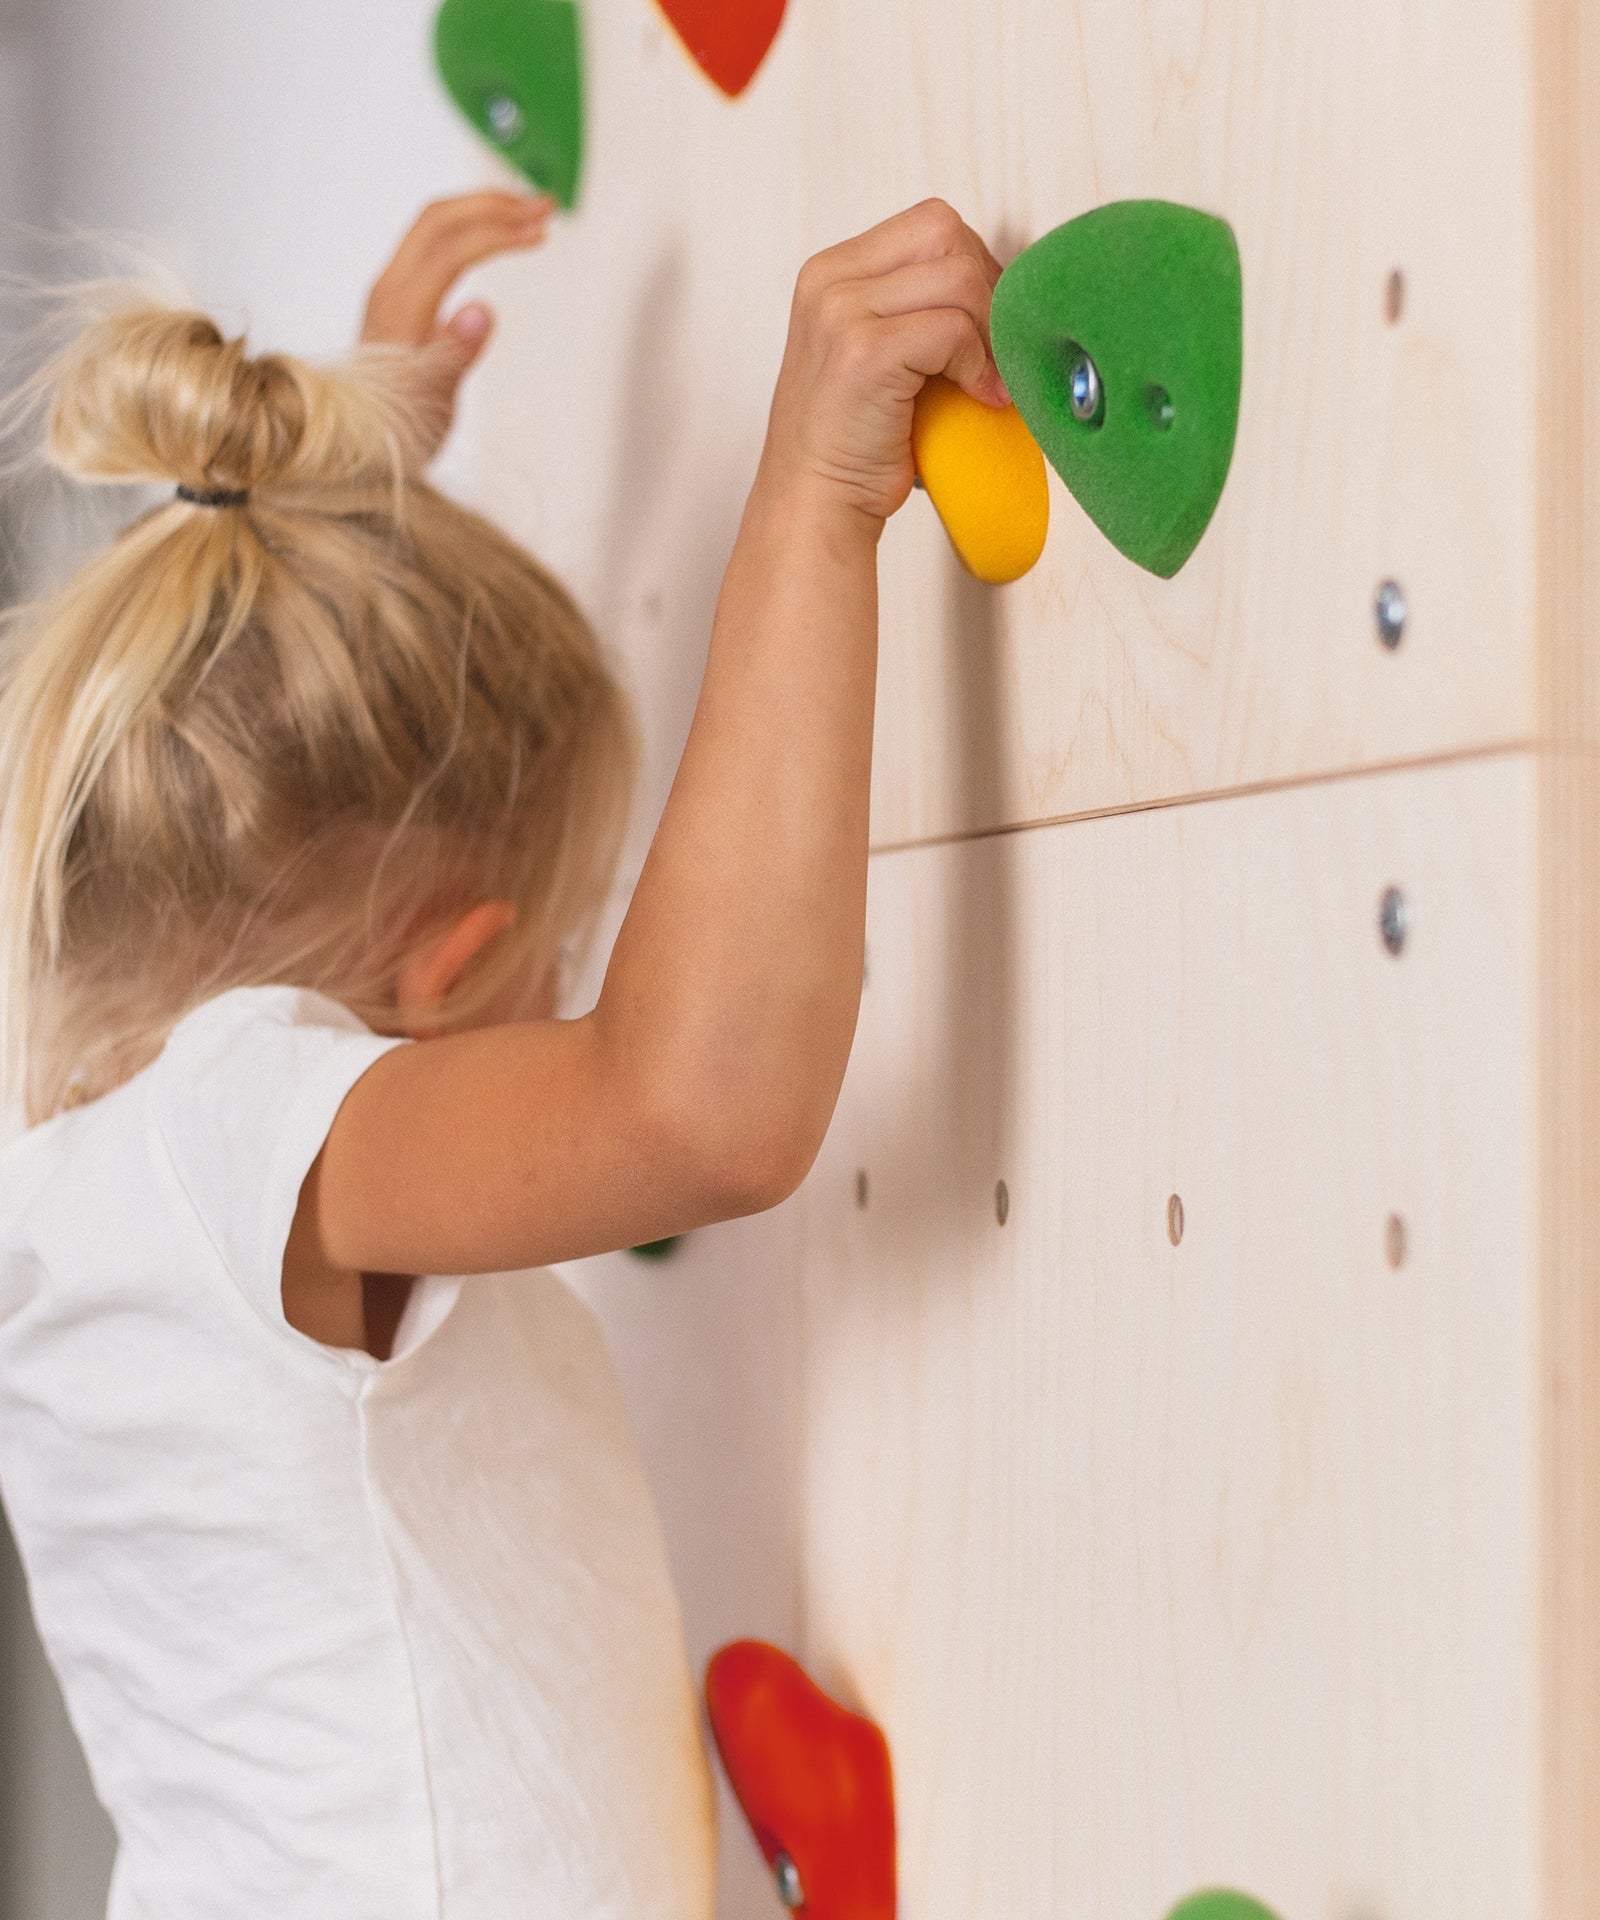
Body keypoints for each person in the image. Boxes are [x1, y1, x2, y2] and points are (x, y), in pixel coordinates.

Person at [0, 186, 1010, 1916]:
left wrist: (355, 494)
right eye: (559, 957)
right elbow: (691, 1106)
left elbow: (296, 778)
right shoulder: (233, 1130)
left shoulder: (117, 1177)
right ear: (448, 973)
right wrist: (812, 509)